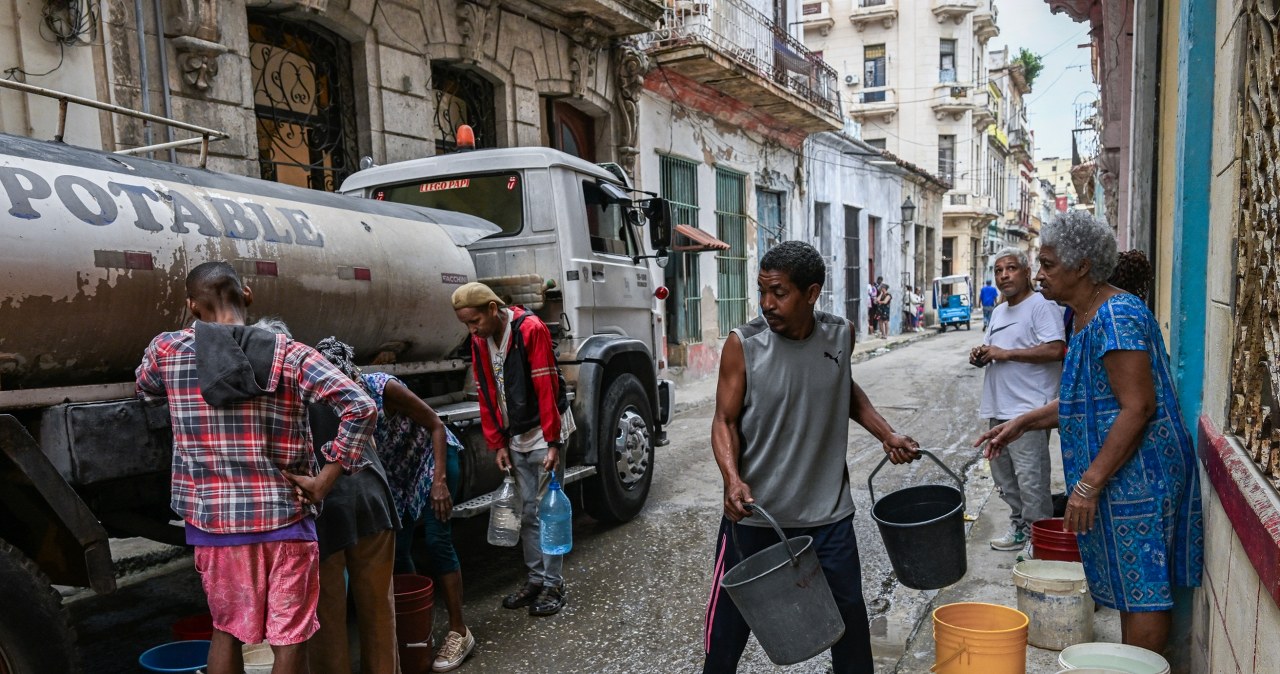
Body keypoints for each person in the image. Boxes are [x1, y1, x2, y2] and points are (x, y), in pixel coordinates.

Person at [975, 211, 1203, 655]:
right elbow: (1084, 401)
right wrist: (1021, 422)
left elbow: (1138, 407)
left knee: (1143, 595)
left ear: (1082, 267)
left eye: (1048, 264)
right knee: (1128, 591)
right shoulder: (1084, 317)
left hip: (1139, 480)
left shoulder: (1117, 317)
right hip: (1119, 479)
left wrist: (1087, 485)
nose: (1039, 275)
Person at [135, 262, 377, 674]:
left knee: (226, 630)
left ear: (192, 306)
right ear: (247, 294)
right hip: (286, 518)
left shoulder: (167, 351)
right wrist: (325, 479)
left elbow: (145, 388)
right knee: (290, 636)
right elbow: (361, 406)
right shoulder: (291, 354)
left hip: (214, 524)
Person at [704, 241, 921, 673]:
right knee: (727, 632)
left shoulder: (840, 334)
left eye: (779, 292)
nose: (767, 303)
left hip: (828, 515)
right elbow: (724, 421)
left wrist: (886, 433)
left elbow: (843, 390)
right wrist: (732, 478)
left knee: (849, 624)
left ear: (811, 292)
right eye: (761, 291)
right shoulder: (743, 345)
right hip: (756, 516)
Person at [315, 337, 475, 671]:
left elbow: (435, 423)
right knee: (398, 552)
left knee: (436, 540)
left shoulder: (380, 387)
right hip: (396, 478)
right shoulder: (331, 401)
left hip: (432, 462)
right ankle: (416, 630)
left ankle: (460, 631)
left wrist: (440, 482)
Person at [452, 281, 575, 617]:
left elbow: (546, 385)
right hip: (516, 435)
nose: (471, 329)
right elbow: (486, 391)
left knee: (547, 513)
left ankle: (554, 583)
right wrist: (497, 443)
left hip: (544, 432)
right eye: (466, 324)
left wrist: (553, 441)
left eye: (474, 321)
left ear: (493, 309)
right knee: (527, 513)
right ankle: (536, 578)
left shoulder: (530, 329)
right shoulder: (480, 341)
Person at [968, 248, 1065, 557]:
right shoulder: (998, 311)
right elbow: (997, 350)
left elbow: (1055, 349)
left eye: (1011, 268)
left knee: (1031, 478)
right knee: (1005, 478)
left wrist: (1004, 353)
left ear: (1026, 272)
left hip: (1030, 409)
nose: (1004, 275)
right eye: (998, 270)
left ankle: (1040, 538)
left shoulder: (1041, 306)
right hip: (999, 406)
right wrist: (982, 356)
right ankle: (1020, 527)